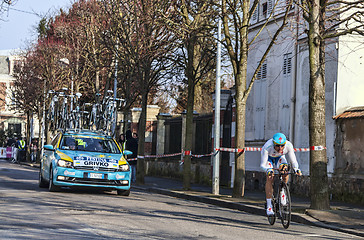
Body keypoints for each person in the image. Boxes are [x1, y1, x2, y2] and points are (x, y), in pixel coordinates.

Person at [260, 132, 302, 216]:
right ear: (273, 144)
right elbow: (262, 165)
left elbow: (293, 161)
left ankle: (282, 191)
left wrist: (296, 169)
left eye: (282, 145)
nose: (280, 148)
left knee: (285, 169)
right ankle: (269, 206)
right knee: (270, 177)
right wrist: (268, 170)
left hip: (279, 158)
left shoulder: (289, 146)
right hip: (268, 159)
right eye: (277, 146)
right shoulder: (267, 146)